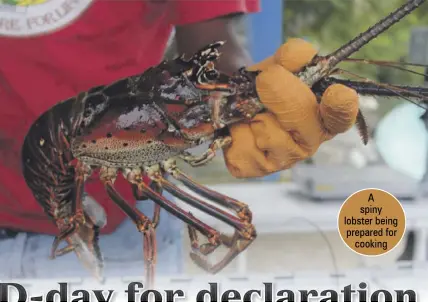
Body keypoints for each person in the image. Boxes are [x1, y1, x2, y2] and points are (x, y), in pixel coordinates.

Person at [0, 0, 359, 277]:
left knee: (153, 222)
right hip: (79, 183)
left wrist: (269, 100)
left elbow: (212, 50)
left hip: (115, 232)